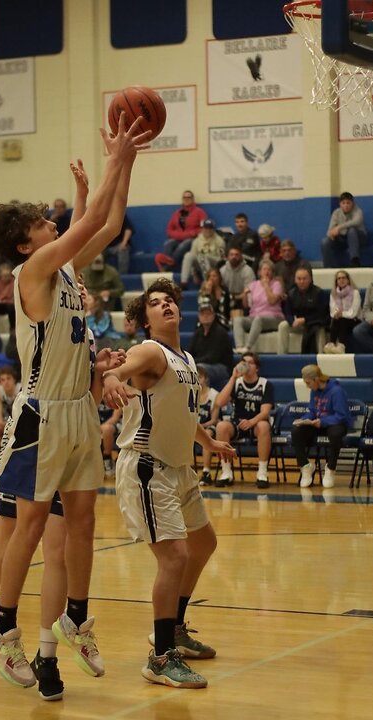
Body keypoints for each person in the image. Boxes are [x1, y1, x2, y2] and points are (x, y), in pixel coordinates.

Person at [0, 113, 149, 689]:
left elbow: (111, 218)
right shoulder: (35, 269)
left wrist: (128, 165)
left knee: (82, 522)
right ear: (27, 243)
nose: (54, 224)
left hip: (77, 411)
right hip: (40, 415)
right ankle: (4, 628)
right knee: (26, 530)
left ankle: (74, 618)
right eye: (44, 222)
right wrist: (116, 154)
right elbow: (93, 216)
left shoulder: (66, 272)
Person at [101, 277, 235, 689]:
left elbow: (181, 411)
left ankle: (174, 628)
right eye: (155, 304)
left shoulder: (187, 358)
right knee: (174, 557)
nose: (166, 306)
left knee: (204, 543)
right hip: (147, 467)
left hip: (179, 468)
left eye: (169, 301)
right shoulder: (149, 350)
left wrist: (207, 439)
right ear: (146, 320)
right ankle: (160, 657)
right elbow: (120, 371)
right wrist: (110, 377)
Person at [212, 351, 275, 488]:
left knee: (264, 426)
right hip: (238, 423)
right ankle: (226, 472)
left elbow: (265, 412)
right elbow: (219, 402)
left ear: (256, 367)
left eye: (250, 363)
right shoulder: (237, 382)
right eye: (243, 362)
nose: (246, 365)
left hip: (256, 423)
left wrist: (251, 422)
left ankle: (262, 473)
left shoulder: (265, 384)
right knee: (221, 426)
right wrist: (233, 378)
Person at [291, 364, 353, 489]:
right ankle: (305, 466)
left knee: (335, 434)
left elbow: (341, 416)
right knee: (296, 431)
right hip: (318, 423)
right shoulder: (314, 391)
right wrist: (304, 419)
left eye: (308, 383)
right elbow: (312, 411)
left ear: (316, 380)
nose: (307, 386)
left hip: (335, 423)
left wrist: (322, 421)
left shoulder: (336, 391)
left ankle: (331, 467)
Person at [235, 260, 285, 354]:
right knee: (238, 320)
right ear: (259, 272)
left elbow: (272, 300)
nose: (267, 272)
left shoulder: (276, 284)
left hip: (274, 317)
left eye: (269, 270)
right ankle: (239, 347)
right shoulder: (253, 285)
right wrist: (245, 295)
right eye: (264, 269)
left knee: (258, 319)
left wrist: (266, 286)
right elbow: (246, 305)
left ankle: (248, 347)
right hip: (253, 316)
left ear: (273, 273)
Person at [278, 267, 328, 355]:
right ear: (295, 280)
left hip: (314, 323)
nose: (302, 281)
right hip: (298, 324)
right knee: (283, 325)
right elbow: (287, 312)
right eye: (299, 279)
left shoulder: (319, 293)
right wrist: (292, 321)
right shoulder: (291, 293)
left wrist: (305, 319)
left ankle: (321, 356)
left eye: (304, 279)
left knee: (320, 329)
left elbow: (322, 314)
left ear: (310, 279)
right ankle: (282, 355)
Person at [157, 190, 208, 270]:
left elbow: (204, 229)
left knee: (183, 245)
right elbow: (169, 230)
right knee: (168, 243)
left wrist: (192, 233)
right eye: (184, 197)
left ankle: (166, 267)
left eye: (189, 197)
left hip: (192, 239)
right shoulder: (177, 213)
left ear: (193, 199)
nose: (186, 199)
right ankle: (167, 264)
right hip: (177, 239)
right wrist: (179, 235)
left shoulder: (200, 212)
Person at [189, 301, 234, 383]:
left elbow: (213, 358)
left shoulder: (220, 333)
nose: (205, 316)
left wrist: (193, 362)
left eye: (208, 314)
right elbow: (190, 352)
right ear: (199, 317)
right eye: (203, 314)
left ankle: (202, 394)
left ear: (213, 316)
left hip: (222, 367)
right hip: (202, 363)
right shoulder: (198, 332)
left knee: (200, 369)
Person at [321, 192, 367, 267]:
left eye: (348, 203)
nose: (346, 205)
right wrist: (332, 234)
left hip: (358, 238)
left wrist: (339, 228)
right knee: (324, 242)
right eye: (343, 203)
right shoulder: (336, 213)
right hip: (342, 238)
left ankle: (355, 261)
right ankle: (328, 266)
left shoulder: (358, 211)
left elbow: (356, 222)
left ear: (352, 203)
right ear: (340, 204)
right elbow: (330, 230)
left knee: (351, 230)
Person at [193, 366, 221, 486]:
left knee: (207, 434)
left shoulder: (214, 394)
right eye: (195, 377)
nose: (198, 380)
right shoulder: (190, 393)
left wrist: (202, 426)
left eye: (200, 377)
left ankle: (206, 472)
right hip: (193, 427)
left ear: (205, 379)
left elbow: (214, 420)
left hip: (210, 426)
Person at [179, 219, 226, 289]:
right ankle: (184, 282)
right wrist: (194, 274)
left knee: (203, 256)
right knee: (188, 255)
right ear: (202, 229)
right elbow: (193, 257)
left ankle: (208, 281)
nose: (208, 230)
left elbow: (222, 259)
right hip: (201, 264)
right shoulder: (197, 241)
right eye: (206, 228)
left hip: (215, 263)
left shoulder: (219, 241)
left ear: (213, 229)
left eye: (210, 228)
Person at [325, 270, 361, 353]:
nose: (341, 280)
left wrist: (342, 314)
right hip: (339, 319)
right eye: (339, 278)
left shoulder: (355, 293)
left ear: (348, 280)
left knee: (342, 319)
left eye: (343, 278)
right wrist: (337, 314)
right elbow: (332, 311)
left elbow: (353, 312)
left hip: (354, 320)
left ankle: (341, 346)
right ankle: (331, 344)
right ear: (336, 281)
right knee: (336, 319)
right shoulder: (333, 294)